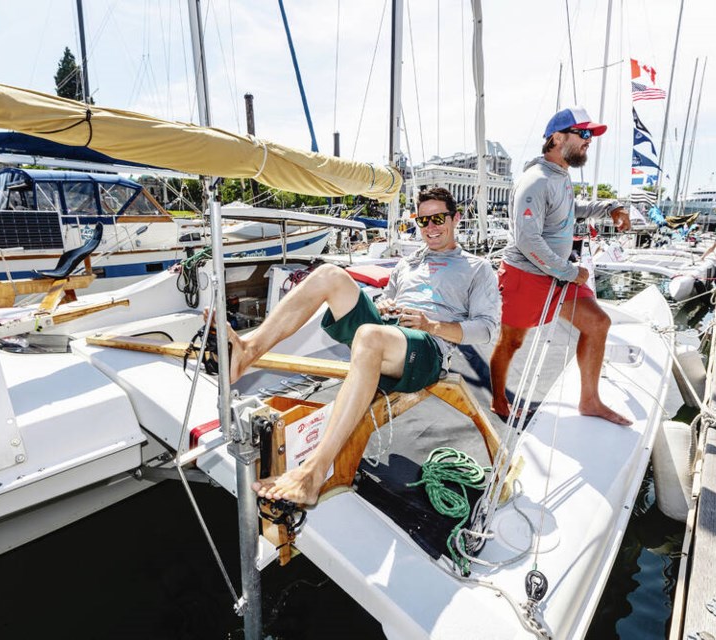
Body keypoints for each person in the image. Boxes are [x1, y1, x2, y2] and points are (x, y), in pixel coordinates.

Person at [221, 187, 500, 506]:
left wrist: (430, 324)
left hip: (427, 348)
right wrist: (384, 306)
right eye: (422, 221)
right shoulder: (407, 264)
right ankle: (248, 351)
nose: (430, 227)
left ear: (456, 218)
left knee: (369, 335)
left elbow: (485, 329)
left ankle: (314, 472)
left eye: (438, 218)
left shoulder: (477, 269)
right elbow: (388, 301)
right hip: (387, 333)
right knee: (329, 274)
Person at [489, 106, 632, 425]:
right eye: (583, 134)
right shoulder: (536, 180)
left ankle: (590, 401)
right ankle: (498, 399)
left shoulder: (560, 176)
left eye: (590, 136)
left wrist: (612, 206)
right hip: (526, 275)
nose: (588, 141)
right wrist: (569, 271)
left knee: (598, 323)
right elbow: (527, 240)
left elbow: (569, 210)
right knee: (511, 342)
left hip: (558, 273)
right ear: (556, 137)